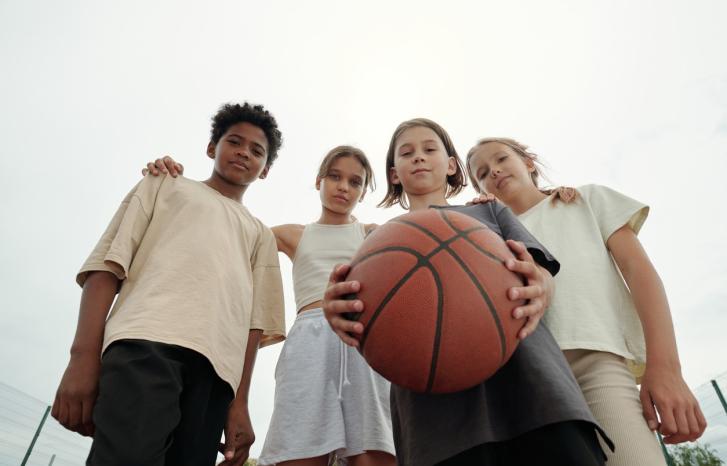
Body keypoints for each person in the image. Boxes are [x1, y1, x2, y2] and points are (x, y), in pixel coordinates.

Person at [322, 118, 611, 466]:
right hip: (436, 425)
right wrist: (338, 309)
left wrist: (541, 287)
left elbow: (542, 274)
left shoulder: (488, 210)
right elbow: (354, 306)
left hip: (534, 392)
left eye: (430, 149)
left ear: (451, 165)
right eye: (407, 152)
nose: (418, 157)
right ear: (393, 173)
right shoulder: (376, 244)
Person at [52, 102, 286, 466]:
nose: (244, 153)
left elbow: (254, 325)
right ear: (212, 148)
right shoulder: (163, 184)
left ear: (266, 169)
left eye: (257, 151)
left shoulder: (260, 234)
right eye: (234, 142)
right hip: (145, 345)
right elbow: (106, 269)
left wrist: (239, 403)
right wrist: (81, 359)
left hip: (215, 375)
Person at [145, 146, 397, 466]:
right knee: (301, 450)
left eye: (355, 181)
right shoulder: (293, 234)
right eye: (334, 177)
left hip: (360, 340)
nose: (343, 186)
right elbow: (231, 226)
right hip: (310, 341)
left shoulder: (371, 234)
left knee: (371, 453)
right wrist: (176, 182)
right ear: (319, 181)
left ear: (362, 193)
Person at [464, 137, 707, 465]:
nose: (493, 171)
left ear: (529, 161)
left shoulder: (585, 200)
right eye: (481, 172)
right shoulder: (489, 237)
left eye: (501, 159)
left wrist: (666, 369)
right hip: (527, 379)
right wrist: (474, 226)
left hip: (597, 364)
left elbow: (640, 274)